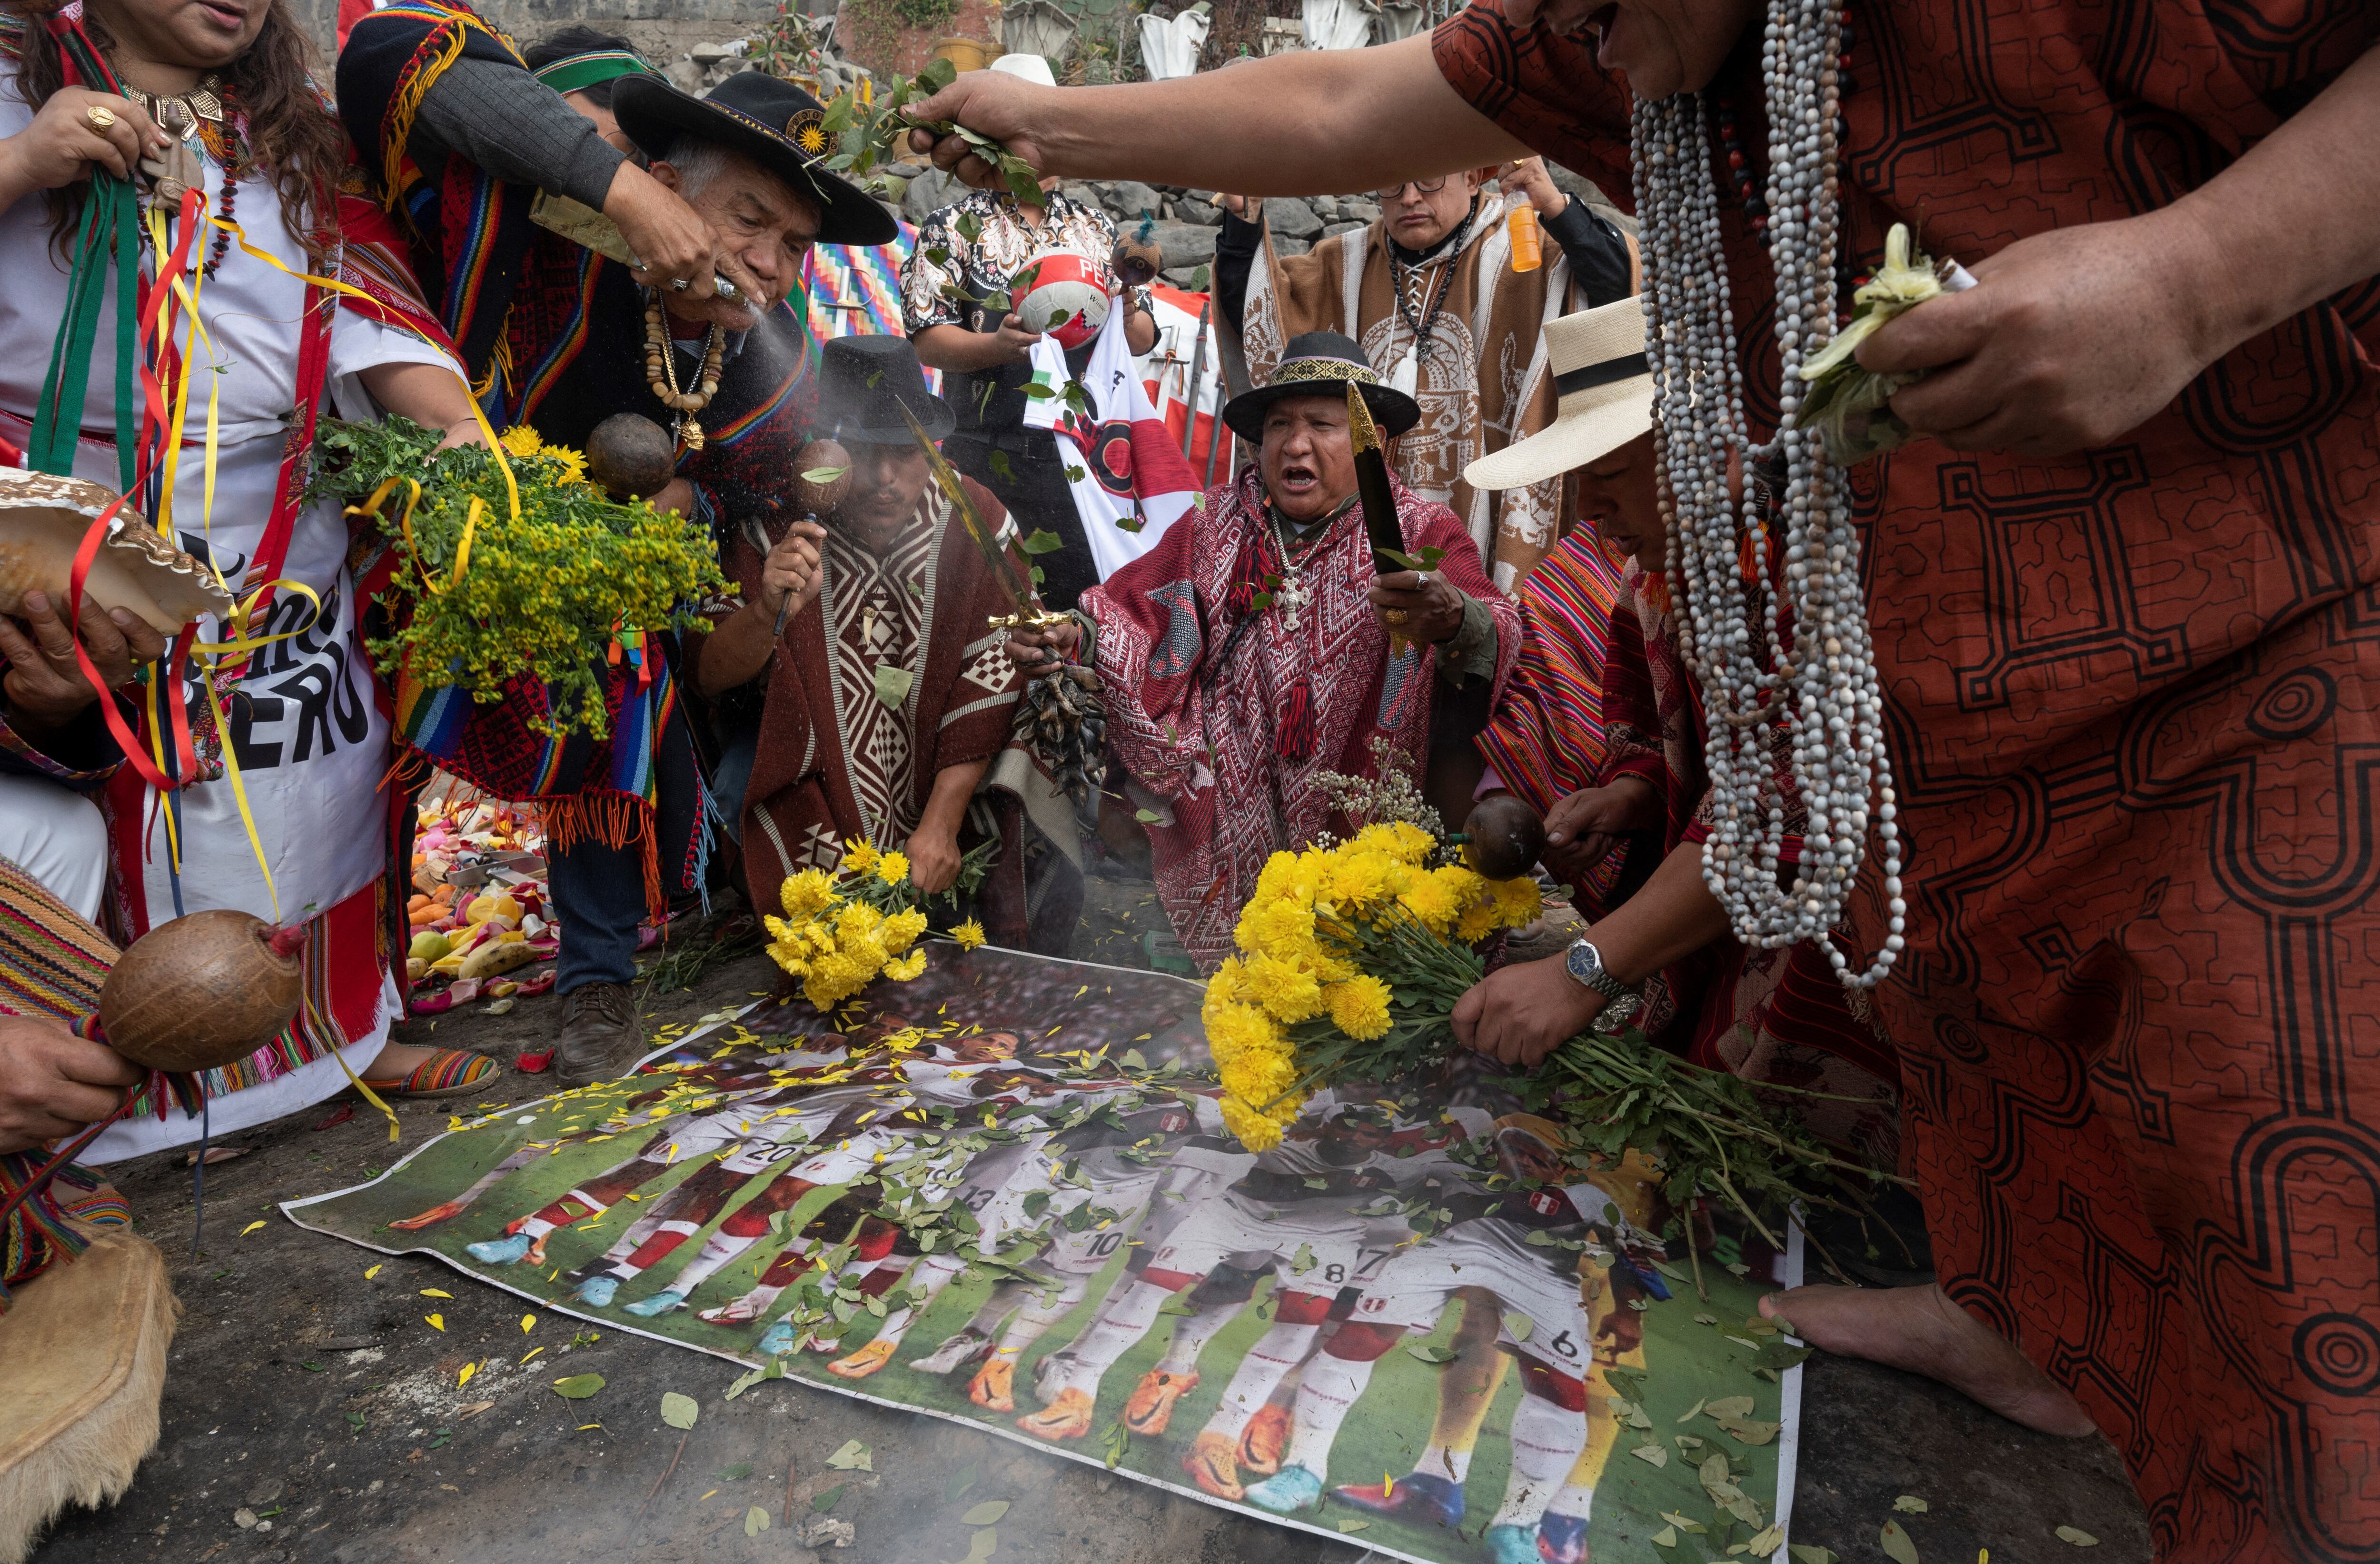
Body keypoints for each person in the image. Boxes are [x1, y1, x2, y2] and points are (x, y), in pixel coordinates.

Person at [895, 0, 2380, 1551]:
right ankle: (2011, 1309)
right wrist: (1045, 122)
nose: (1578, 31)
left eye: (1325, 433)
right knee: (2016, 1099)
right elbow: (1348, 106)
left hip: (2249, 678)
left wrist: (2197, 276)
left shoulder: (1519, 554)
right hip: (1935, 736)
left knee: (2279, 1282)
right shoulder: (1611, 528)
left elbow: (1699, 769)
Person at [340, 10, 896, 1086]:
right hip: (435, 524)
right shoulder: (542, 224)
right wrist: (621, 197)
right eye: (746, 221)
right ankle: (367, 996)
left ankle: (599, 979)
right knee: (370, 740)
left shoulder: (759, 367)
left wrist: (684, 501)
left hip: (597, 573)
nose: (770, 266)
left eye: (793, 245)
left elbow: (773, 468)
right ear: (663, 186)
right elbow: (388, 56)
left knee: (625, 685)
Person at [0, 0, 507, 1150]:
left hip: (280, 531)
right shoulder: (9, 91)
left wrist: (483, 474)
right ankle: (126, 1098)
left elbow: (378, 310)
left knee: (308, 788)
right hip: (65, 518)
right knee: (126, 805)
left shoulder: (290, 134)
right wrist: (27, 159)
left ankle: (341, 1040)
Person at [1465, 299, 1902, 1165]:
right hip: (1730, 908)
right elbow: (1655, 733)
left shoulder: (1812, 575)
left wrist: (1583, 970)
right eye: (1580, 482)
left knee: (1815, 1161)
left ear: (1713, 456)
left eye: (1614, 475)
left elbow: (1785, 811)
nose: (1591, 512)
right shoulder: (1654, 581)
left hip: (1844, 925)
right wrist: (1629, 796)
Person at [1005, 334, 1522, 972]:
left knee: (1355, 973)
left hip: (1365, 806)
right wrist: (1075, 637)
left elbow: (1496, 627)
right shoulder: (1215, 522)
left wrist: (1454, 620)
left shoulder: (1421, 532)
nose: (1295, 444)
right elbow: (1137, 613)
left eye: (1321, 425)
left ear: (1375, 443)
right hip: (1227, 794)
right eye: (1280, 425)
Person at [684, 334, 1082, 955]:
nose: (886, 479)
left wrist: (941, 823)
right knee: (736, 782)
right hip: (812, 765)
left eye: (906, 452)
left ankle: (996, 909)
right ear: (825, 452)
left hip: (944, 762)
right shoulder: (776, 525)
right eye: (863, 453)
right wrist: (768, 608)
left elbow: (997, 670)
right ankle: (780, 898)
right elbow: (706, 674)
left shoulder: (974, 516)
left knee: (1039, 736)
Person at [1213, 157, 1634, 591]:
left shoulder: (1529, 248)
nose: (1409, 197)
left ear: (1472, 177)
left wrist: (1558, 210)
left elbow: (1621, 293)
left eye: (1429, 179)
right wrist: (1244, 224)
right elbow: (1261, 320)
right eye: (1391, 186)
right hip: (1362, 542)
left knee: (1479, 624)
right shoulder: (1342, 266)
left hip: (1488, 510)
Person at [900, 52, 1158, 613]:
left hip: (1079, 460)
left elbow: (1139, 340)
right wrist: (994, 347)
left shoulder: (1096, 230)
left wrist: (1130, 291)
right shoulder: (953, 227)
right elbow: (925, 336)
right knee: (977, 608)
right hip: (982, 450)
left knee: (1077, 608)